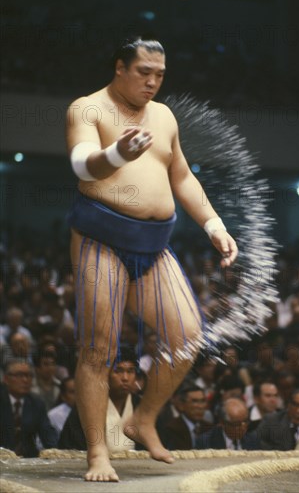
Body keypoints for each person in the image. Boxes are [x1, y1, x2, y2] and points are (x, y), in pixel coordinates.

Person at [65, 36, 238, 481]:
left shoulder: (163, 116)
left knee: (187, 337)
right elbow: (83, 165)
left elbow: (180, 174)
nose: (153, 82)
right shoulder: (87, 109)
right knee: (97, 349)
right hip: (101, 239)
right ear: (120, 67)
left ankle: (143, 419)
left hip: (155, 245)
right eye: (144, 72)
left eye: (159, 74)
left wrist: (214, 224)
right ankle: (97, 452)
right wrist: (117, 153)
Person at [59, 350, 139, 453]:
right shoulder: (87, 406)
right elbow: (70, 448)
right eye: (118, 371)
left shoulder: (141, 406)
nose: (125, 378)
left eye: (130, 371)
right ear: (106, 374)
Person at [0, 359, 58, 457]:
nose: (25, 380)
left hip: (28, 460)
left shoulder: (36, 403)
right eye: (19, 375)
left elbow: (48, 435)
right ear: (6, 379)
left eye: (29, 375)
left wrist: (55, 453)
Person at [161, 383, 212, 450]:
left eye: (202, 401)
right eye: (194, 401)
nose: (200, 406)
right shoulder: (171, 429)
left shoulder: (209, 428)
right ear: (181, 405)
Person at [47, 377, 76, 441]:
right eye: (72, 392)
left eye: (79, 390)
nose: (77, 395)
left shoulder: (89, 412)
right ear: (63, 396)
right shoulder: (53, 415)